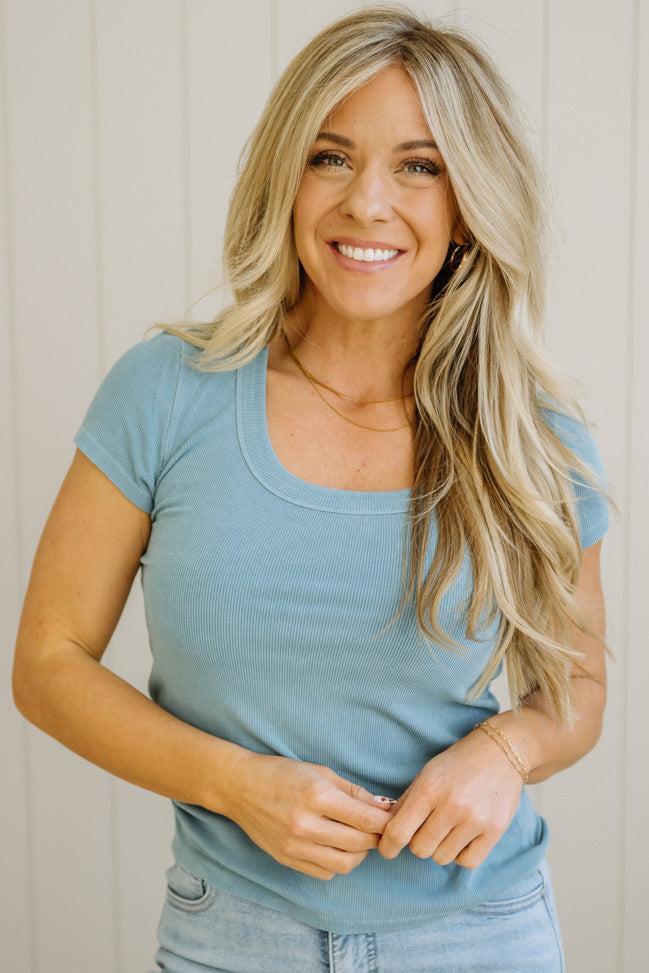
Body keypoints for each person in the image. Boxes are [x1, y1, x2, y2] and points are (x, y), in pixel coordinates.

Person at [12, 5, 618, 971]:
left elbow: (575, 688)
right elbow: (47, 660)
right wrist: (233, 781)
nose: (366, 204)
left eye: (418, 166)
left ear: (467, 203)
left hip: (481, 938)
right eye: (330, 157)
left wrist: (505, 753)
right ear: (285, 178)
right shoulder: (167, 392)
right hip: (230, 933)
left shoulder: (528, 432)